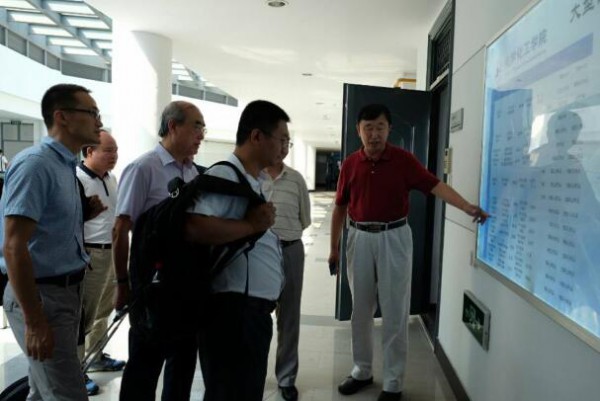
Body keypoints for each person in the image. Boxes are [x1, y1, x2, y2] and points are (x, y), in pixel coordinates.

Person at [329, 104, 488, 401]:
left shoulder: (403, 160)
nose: (374, 134)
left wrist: (466, 206)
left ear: (389, 129)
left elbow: (435, 185)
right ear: (358, 131)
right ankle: (361, 370)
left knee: (395, 310)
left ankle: (393, 381)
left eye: (380, 127)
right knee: (360, 309)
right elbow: (339, 207)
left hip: (394, 237)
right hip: (359, 237)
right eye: (368, 128)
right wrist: (333, 248)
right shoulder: (350, 164)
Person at [0, 83, 103, 400]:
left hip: (64, 294)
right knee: (67, 394)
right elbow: (13, 246)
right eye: (92, 113)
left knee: (43, 392)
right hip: (41, 297)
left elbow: (43, 232)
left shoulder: (64, 165)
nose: (99, 121)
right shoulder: (36, 164)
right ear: (62, 117)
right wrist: (34, 321)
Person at [186, 100, 288, 401]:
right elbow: (194, 227)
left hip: (249, 313)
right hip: (233, 313)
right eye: (281, 139)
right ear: (257, 137)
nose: (284, 147)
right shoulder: (225, 174)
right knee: (230, 392)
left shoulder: (251, 180)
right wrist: (251, 225)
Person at [114, 101, 205, 401]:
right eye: (196, 126)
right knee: (144, 369)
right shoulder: (144, 168)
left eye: (203, 129)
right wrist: (122, 284)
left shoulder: (194, 173)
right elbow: (120, 229)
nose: (201, 135)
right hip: (151, 288)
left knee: (182, 369)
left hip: (188, 287)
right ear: (173, 126)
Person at [76, 130, 124, 396]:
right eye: (108, 150)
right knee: (84, 314)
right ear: (89, 152)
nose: (114, 156)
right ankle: (77, 370)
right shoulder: (77, 179)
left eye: (115, 150)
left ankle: (96, 356)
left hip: (112, 251)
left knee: (104, 309)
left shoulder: (111, 178)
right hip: (91, 254)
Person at [263, 138, 311, 401]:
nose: (282, 148)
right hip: (260, 253)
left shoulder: (296, 179)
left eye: (287, 143)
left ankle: (287, 378)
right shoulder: (253, 176)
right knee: (258, 316)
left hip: (291, 250)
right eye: (278, 141)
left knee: (289, 317)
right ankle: (255, 372)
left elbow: (304, 220)